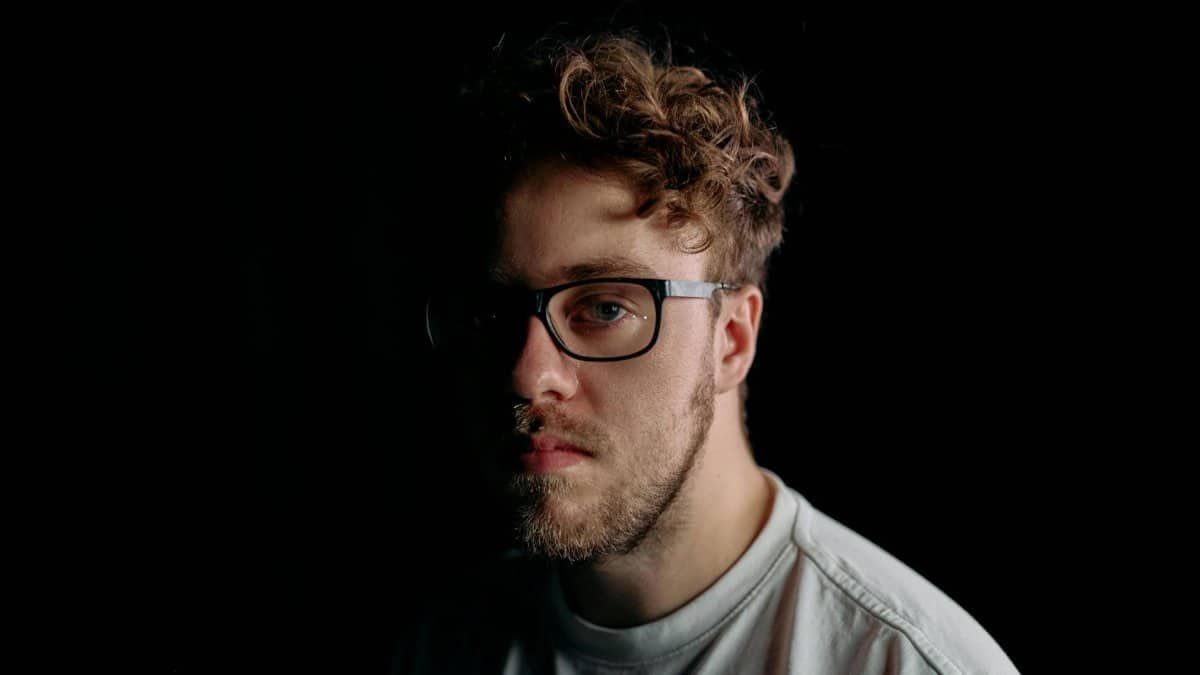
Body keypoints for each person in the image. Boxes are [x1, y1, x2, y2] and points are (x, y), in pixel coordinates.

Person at [403, 25, 1019, 675]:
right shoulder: (447, 641)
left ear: (732, 337)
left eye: (606, 308)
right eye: (494, 313)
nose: (527, 375)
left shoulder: (903, 661)